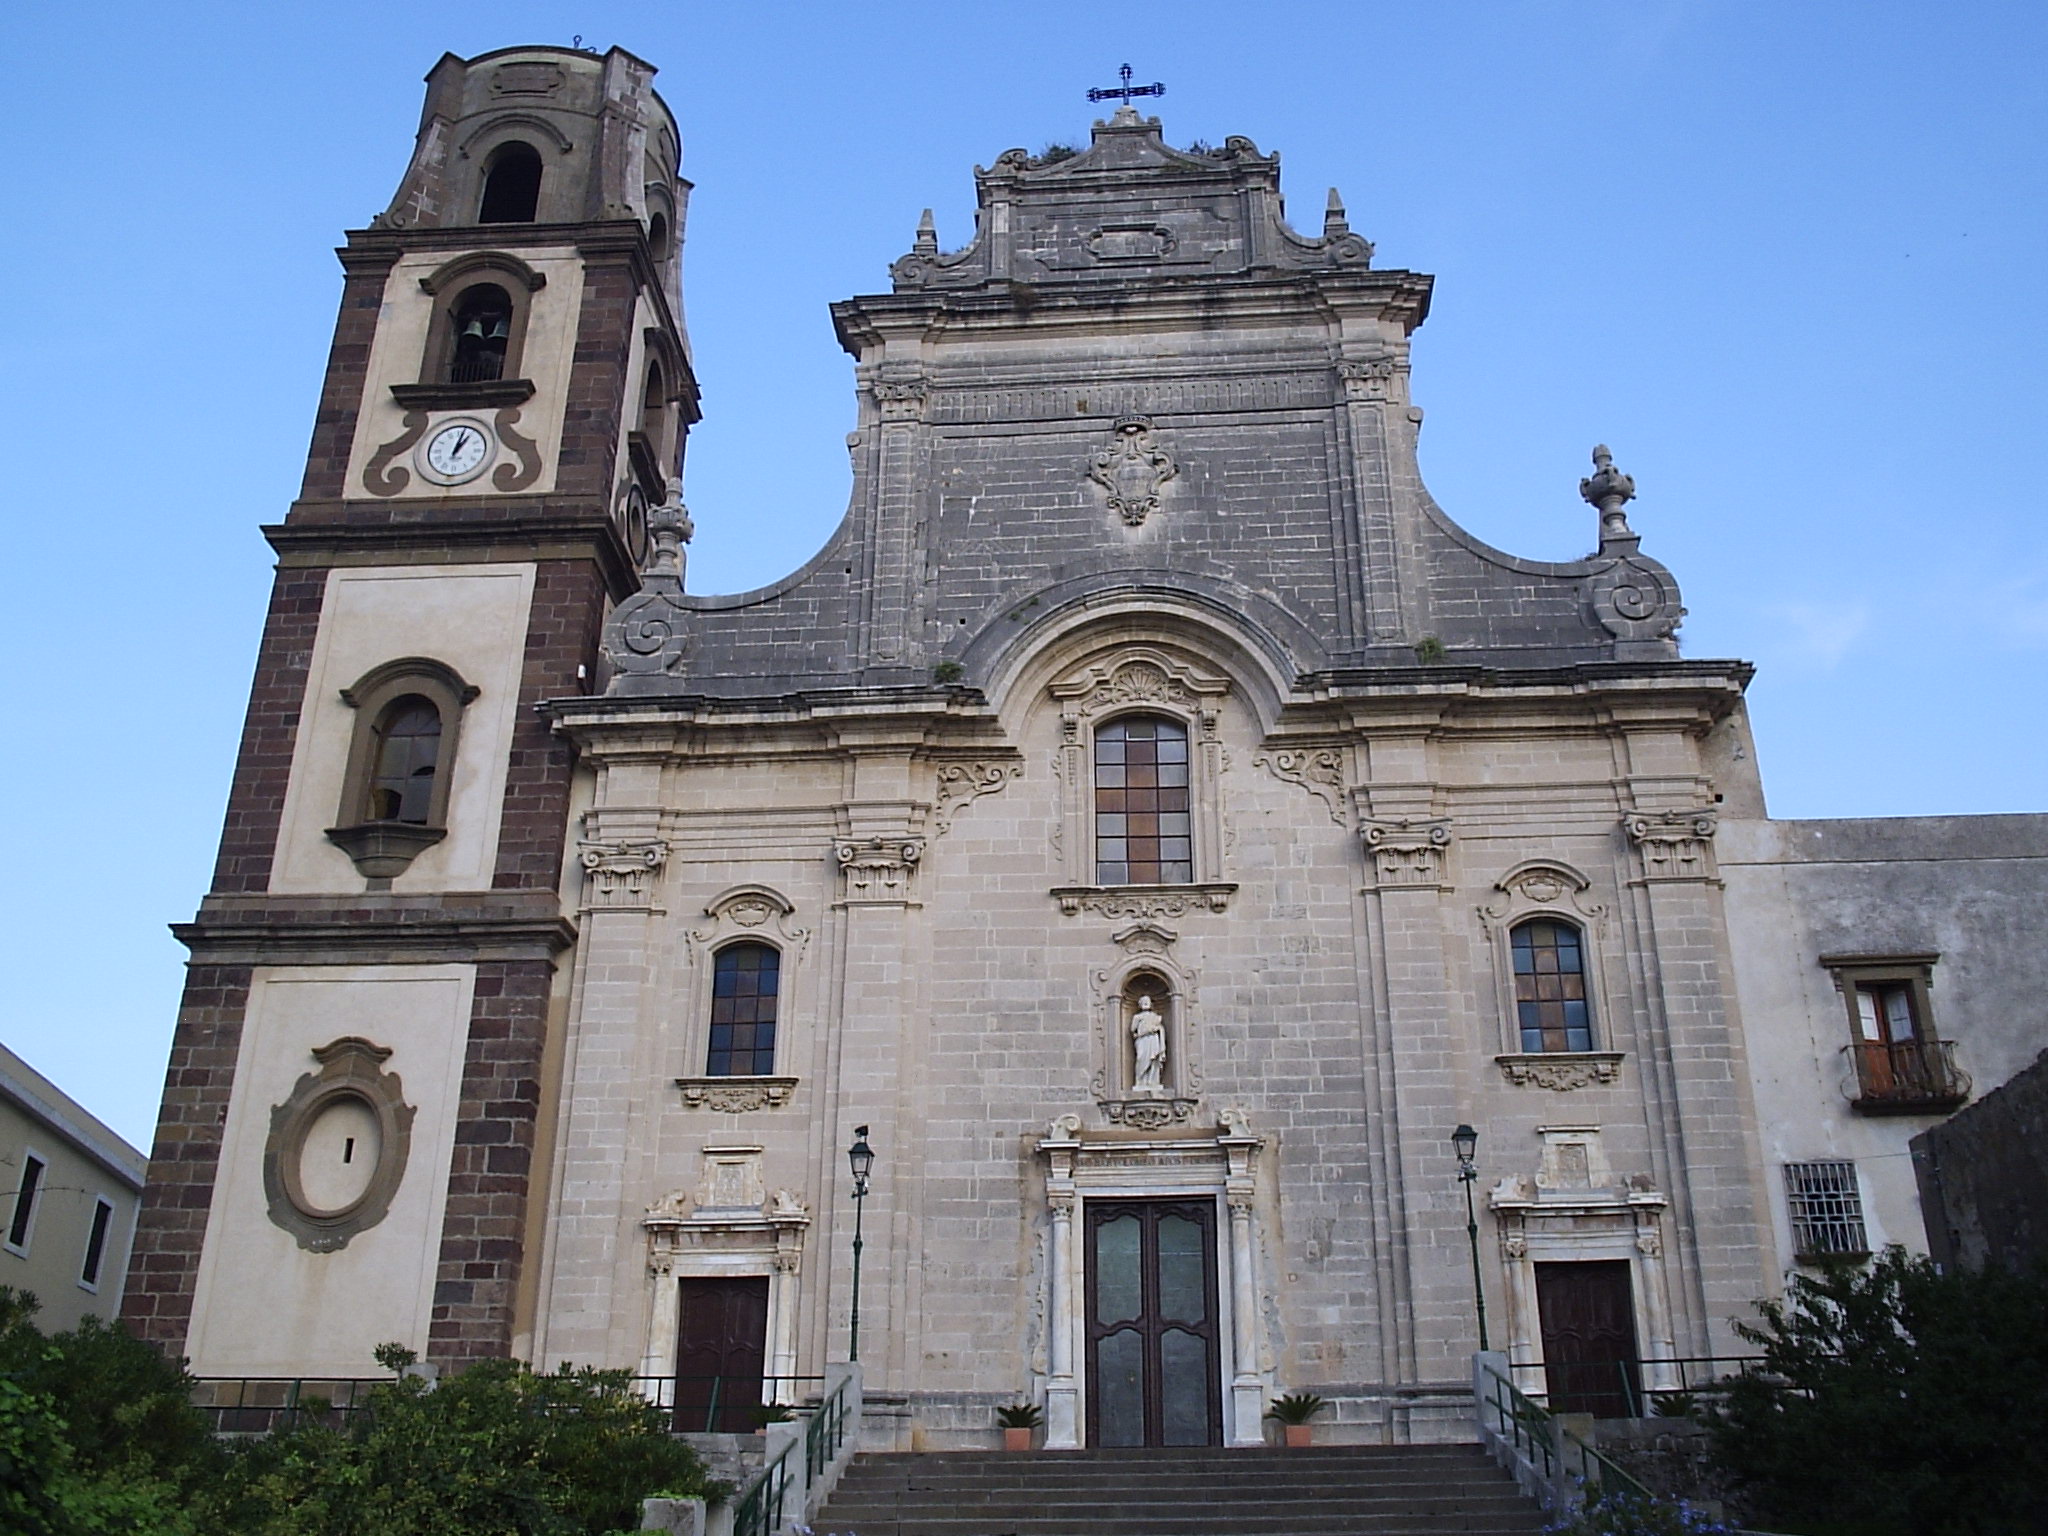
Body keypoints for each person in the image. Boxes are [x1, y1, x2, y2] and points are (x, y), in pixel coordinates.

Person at [1130, 994, 1167, 1095]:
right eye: (1143, 1001)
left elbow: (1160, 1028)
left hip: (1153, 1039)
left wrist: (1158, 1029)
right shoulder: (1137, 1017)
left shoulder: (1155, 1017)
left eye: (1147, 1001)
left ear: (1151, 1004)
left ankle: (1152, 1081)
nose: (1145, 1003)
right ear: (1140, 1004)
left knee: (1154, 1060)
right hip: (1142, 1040)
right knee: (1141, 1058)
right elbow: (1133, 1029)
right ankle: (1140, 1081)